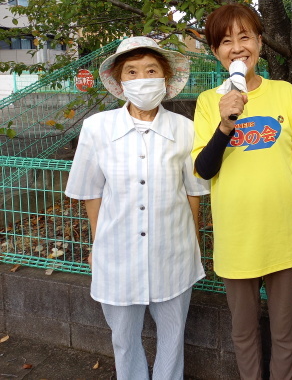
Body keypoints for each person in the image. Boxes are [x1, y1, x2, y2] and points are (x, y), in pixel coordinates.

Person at [65, 36, 209, 380]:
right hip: (116, 254)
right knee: (124, 338)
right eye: (132, 71)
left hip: (173, 253)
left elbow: (193, 193)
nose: (141, 77)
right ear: (119, 80)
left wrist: (193, 243)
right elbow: (91, 192)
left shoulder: (186, 130)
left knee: (173, 336)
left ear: (165, 78)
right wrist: (98, 242)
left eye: (150, 70)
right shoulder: (97, 128)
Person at [191, 3, 292, 380]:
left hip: (285, 237)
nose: (237, 47)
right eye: (226, 41)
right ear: (216, 52)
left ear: (259, 43)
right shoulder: (206, 103)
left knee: (285, 331)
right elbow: (203, 169)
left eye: (245, 36)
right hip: (237, 238)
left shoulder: (285, 93)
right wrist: (224, 123)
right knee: (243, 331)